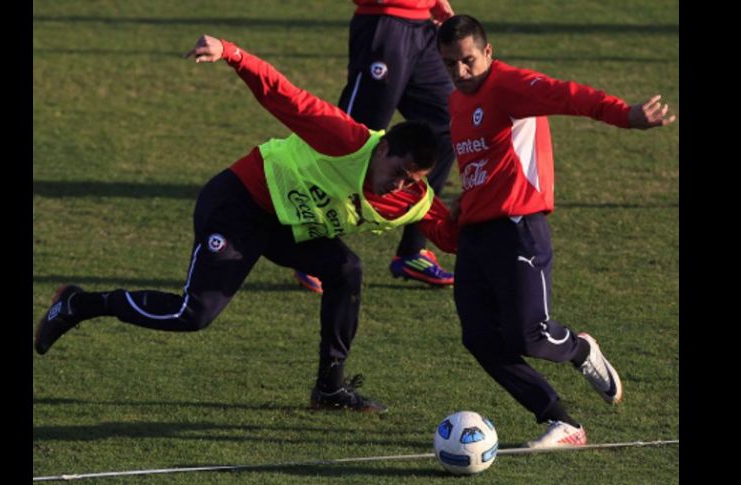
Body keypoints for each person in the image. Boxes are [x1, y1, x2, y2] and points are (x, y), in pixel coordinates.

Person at [34, 34, 458, 414]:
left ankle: (330, 388)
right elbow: (285, 96)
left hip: (285, 230)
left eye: (410, 180)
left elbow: (456, 237)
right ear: (383, 148)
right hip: (238, 204)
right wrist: (232, 53)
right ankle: (78, 304)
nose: (397, 186)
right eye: (397, 172)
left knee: (346, 268)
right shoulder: (343, 139)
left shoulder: (415, 201)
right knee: (192, 314)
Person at [435, 15, 675, 447]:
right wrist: (462, 202)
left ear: (488, 53)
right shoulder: (456, 101)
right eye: (450, 64)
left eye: (468, 61)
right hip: (476, 236)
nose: (460, 72)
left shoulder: (510, 86)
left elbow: (570, 96)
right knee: (480, 338)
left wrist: (627, 115)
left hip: (518, 228)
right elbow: (482, 162)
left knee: (529, 334)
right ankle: (560, 421)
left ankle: (581, 350)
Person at [293, 0, 457, 294]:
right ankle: (311, 249)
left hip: (422, 26)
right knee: (353, 139)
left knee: (450, 125)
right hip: (385, 24)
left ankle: (412, 252)